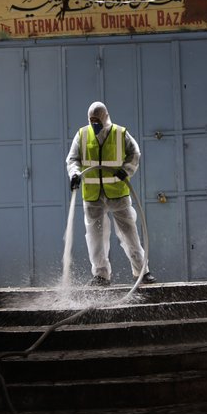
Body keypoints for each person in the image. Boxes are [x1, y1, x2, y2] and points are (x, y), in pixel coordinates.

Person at [66, 101, 157, 287]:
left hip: (118, 193)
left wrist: (127, 170)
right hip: (93, 196)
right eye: (91, 120)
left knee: (129, 234)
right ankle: (100, 275)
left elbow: (135, 153)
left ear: (105, 117)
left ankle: (142, 272)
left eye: (97, 119)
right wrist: (74, 174)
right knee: (95, 238)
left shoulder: (120, 133)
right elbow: (73, 158)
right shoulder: (82, 134)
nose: (94, 123)